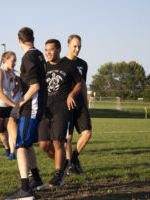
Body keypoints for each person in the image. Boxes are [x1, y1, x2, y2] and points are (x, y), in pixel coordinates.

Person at [6, 27, 46, 200]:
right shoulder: (38, 54)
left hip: (32, 106)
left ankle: (25, 190)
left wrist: (21, 102)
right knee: (27, 144)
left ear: (19, 40)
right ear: (33, 38)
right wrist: (20, 79)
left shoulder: (28, 56)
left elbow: (35, 85)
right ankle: (36, 180)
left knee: (20, 145)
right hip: (38, 105)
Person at [38, 39, 83, 187]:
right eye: (46, 50)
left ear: (58, 49)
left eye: (50, 49)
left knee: (58, 142)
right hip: (45, 110)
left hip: (62, 109)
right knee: (44, 145)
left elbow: (79, 82)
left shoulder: (68, 65)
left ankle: (58, 176)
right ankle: (64, 164)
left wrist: (71, 95)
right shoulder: (43, 67)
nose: (48, 53)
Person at [64, 34, 92, 176]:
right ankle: (69, 166)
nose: (77, 49)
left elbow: (83, 85)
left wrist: (86, 104)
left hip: (80, 104)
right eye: (74, 46)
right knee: (68, 137)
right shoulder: (61, 63)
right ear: (68, 45)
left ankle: (74, 158)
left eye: (79, 46)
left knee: (87, 133)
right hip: (66, 106)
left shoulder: (83, 64)